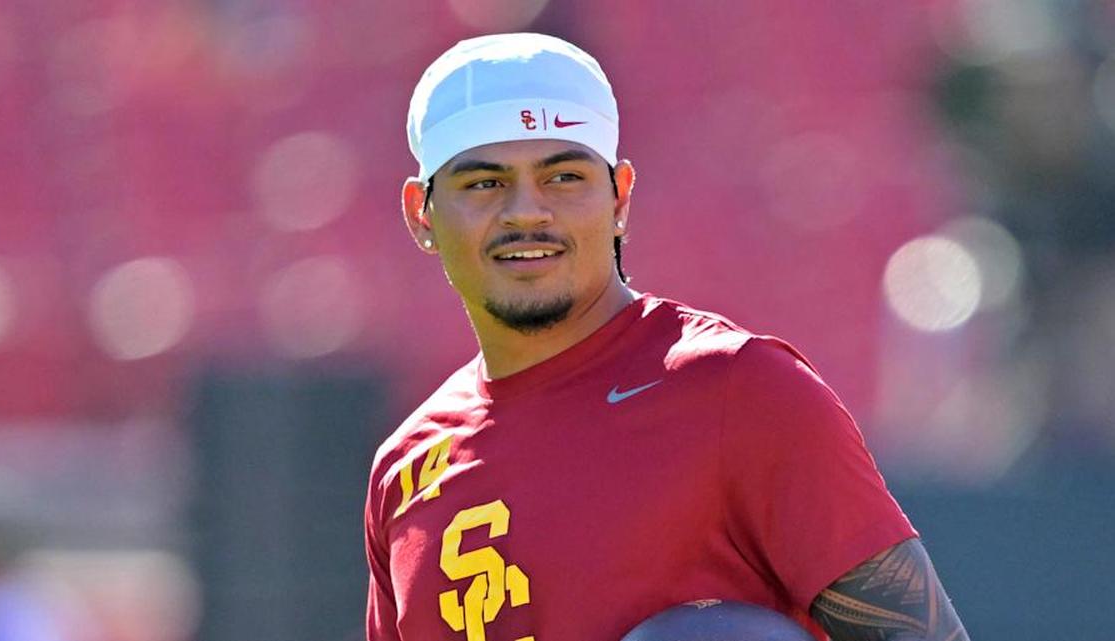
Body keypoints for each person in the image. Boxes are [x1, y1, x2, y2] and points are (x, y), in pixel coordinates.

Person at [364, 33, 970, 641]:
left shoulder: (739, 390)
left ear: (621, 198)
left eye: (564, 177)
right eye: (484, 184)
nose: (527, 211)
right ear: (422, 215)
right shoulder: (405, 470)